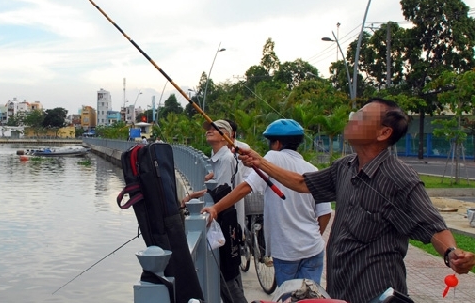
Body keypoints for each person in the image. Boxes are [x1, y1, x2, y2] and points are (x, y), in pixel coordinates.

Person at [236, 98, 475, 303]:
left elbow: (433, 227)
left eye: (361, 117)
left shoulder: (399, 178)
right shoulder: (345, 167)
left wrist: (451, 253)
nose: (352, 120)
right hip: (342, 290)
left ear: (383, 133)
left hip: (377, 293)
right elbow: (302, 183)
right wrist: (261, 162)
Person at [203, 119, 331, 287]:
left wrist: (216, 208)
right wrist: (310, 239)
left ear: (276, 143)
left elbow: (244, 188)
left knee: (288, 296)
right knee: (311, 297)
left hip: (286, 251)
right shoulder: (312, 168)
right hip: (314, 248)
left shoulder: (272, 159)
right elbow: (325, 214)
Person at [202, 119, 247, 303]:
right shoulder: (219, 158)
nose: (209, 131)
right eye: (209, 129)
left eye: (215, 129)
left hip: (227, 221)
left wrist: (211, 206)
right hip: (225, 219)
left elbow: (225, 192)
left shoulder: (227, 159)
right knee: (230, 272)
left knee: (225, 275)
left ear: (226, 136)